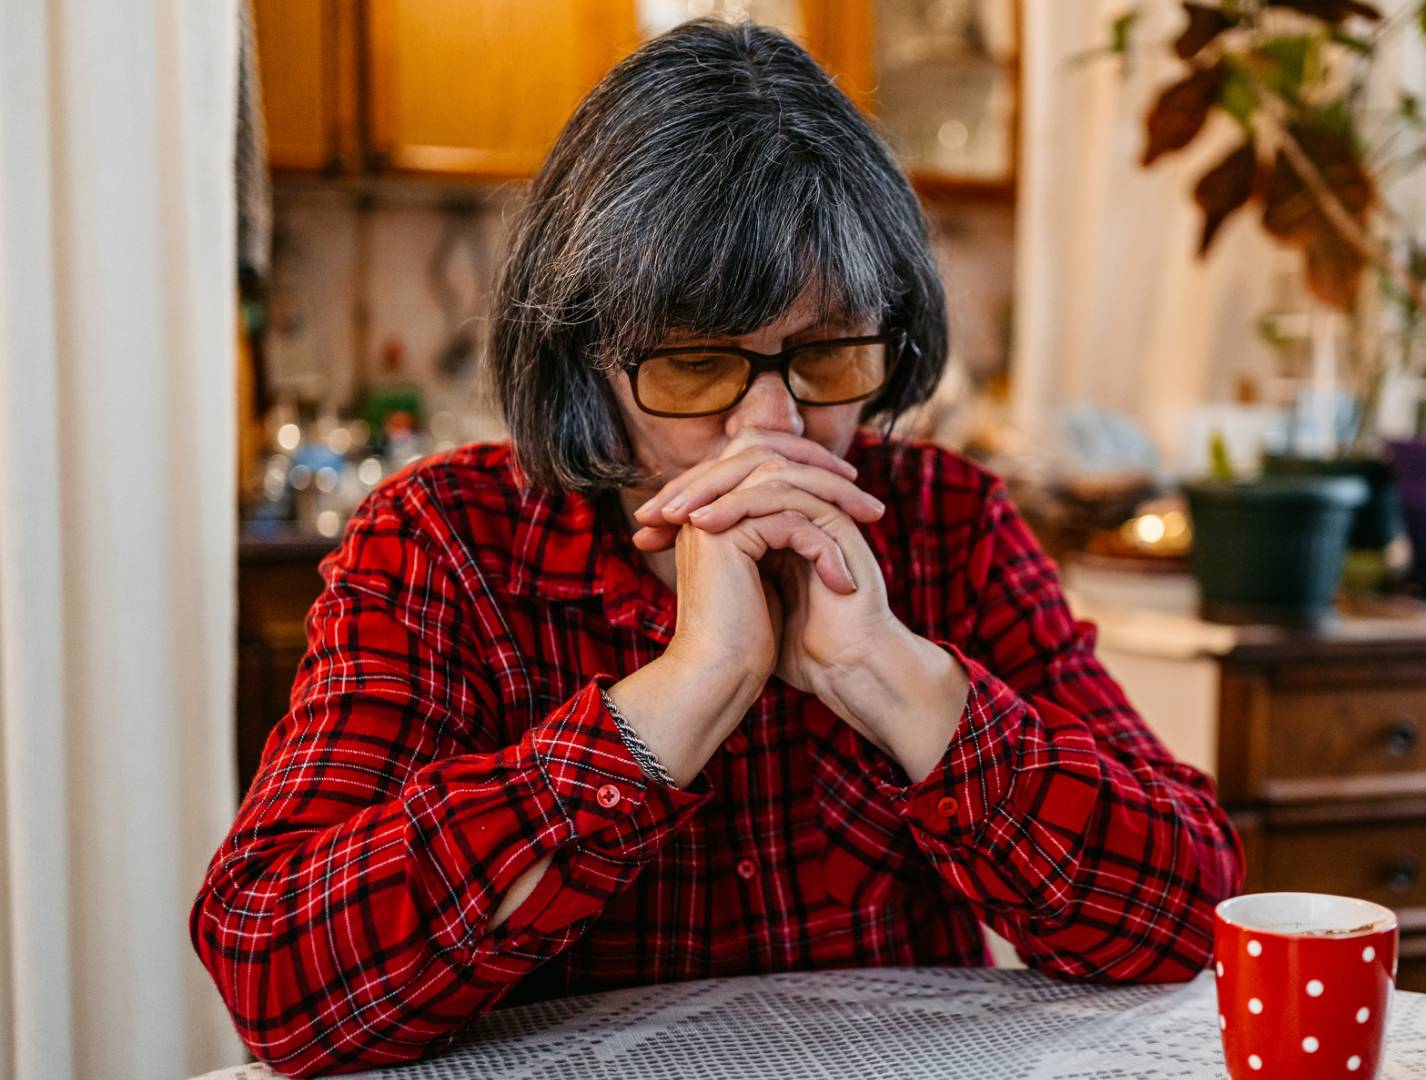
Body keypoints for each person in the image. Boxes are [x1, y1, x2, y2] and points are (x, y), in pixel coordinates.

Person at [191, 19, 1243, 1077]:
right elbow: (276, 977)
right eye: (696, 364)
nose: (772, 430)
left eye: (830, 355)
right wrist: (680, 698)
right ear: (584, 360)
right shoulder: (445, 542)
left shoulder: (946, 522)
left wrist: (894, 676)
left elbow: (1197, 917)